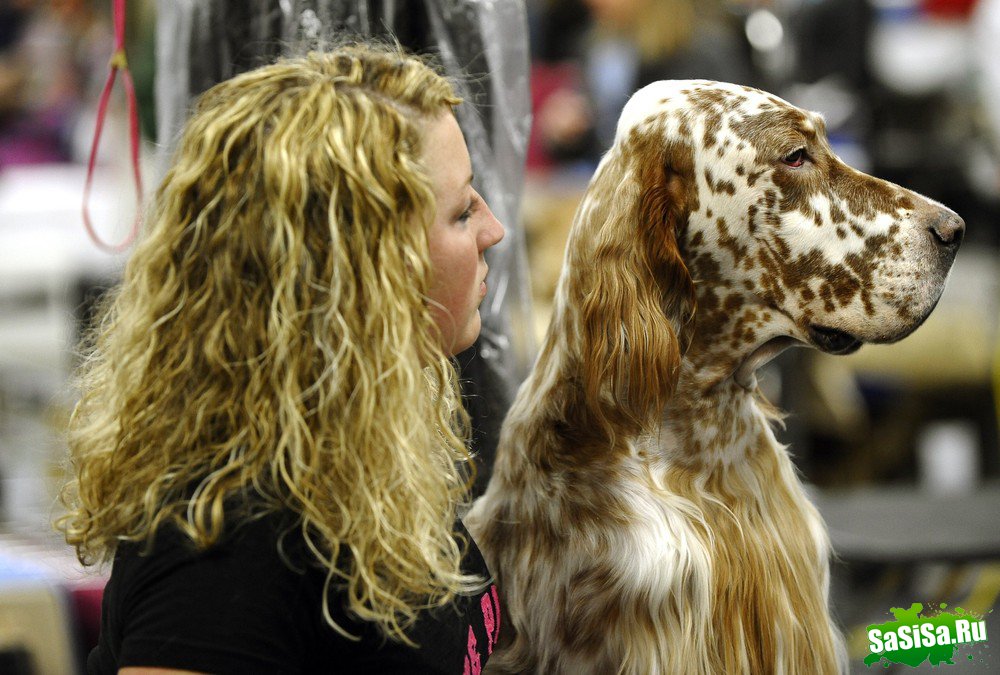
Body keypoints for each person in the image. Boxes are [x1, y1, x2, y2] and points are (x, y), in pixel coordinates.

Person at [57, 43, 506, 674]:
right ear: (366, 268)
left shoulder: (363, 458)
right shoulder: (230, 540)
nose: (493, 230)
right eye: (461, 213)